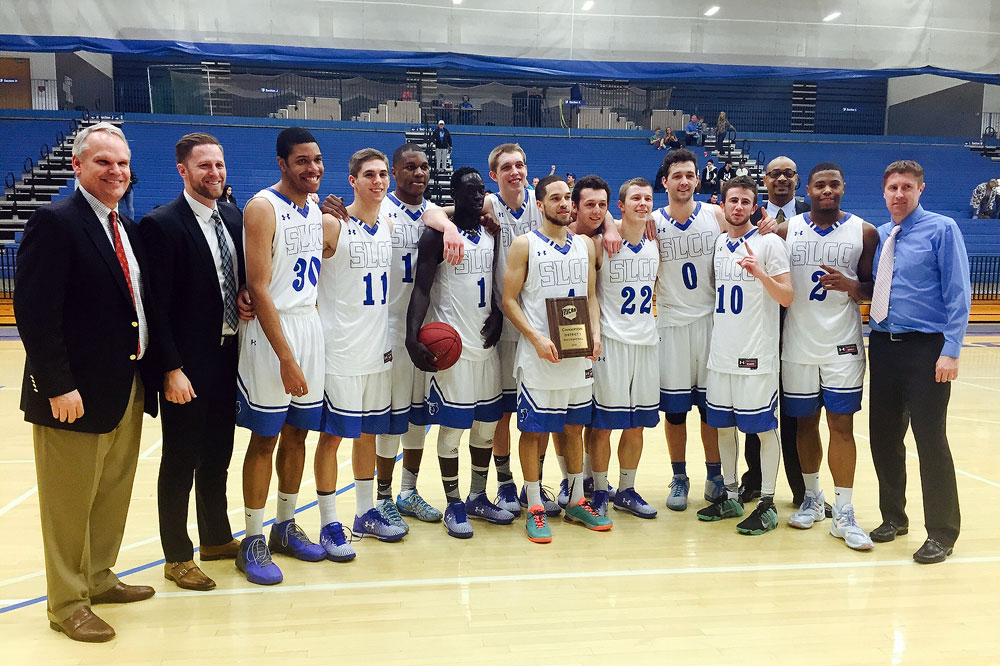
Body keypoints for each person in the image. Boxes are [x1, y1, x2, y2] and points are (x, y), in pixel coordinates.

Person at [15, 122, 159, 641]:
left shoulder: (126, 227)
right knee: (68, 504)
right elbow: (35, 312)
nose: (116, 171)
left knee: (111, 494)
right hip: (73, 392)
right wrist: (57, 384)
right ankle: (66, 603)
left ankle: (97, 577)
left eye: (122, 163)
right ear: (77, 166)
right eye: (103, 162)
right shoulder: (55, 222)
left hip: (125, 384)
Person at [139, 133, 247, 591]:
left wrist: (244, 296)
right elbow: (155, 305)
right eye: (204, 166)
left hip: (228, 354)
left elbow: (236, 277)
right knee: (180, 458)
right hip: (186, 363)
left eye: (219, 165)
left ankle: (216, 538)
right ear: (182, 171)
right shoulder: (161, 224)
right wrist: (170, 368)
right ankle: (176, 555)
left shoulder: (233, 216)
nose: (214, 173)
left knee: (218, 452)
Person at [236, 127, 328, 585]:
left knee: (299, 434)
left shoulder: (315, 207)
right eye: (302, 160)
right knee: (266, 437)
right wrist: (286, 358)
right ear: (282, 163)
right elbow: (258, 286)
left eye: (317, 159)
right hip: (272, 332)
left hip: (309, 323)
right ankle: (252, 538)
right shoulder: (262, 207)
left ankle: (285, 526)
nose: (313, 168)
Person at [868, 160, 971, 564]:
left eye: (906, 187)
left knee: (930, 440)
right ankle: (893, 517)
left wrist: (952, 349)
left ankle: (942, 532)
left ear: (920, 190)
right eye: (893, 187)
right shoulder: (881, 235)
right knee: (883, 436)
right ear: (884, 192)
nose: (899, 194)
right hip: (884, 345)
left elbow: (958, 291)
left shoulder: (942, 229)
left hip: (926, 349)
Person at [502, 175, 610, 542]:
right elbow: (509, 300)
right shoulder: (524, 244)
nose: (564, 204)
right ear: (540, 204)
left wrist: (596, 333)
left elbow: (591, 296)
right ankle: (534, 505)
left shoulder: (585, 245)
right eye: (555, 198)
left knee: (573, 428)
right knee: (533, 432)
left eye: (567, 198)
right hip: (540, 356)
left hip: (577, 356)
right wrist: (534, 338)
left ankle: (576, 500)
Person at [312, 148, 408, 555]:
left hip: (377, 349)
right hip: (341, 351)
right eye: (369, 174)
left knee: (368, 434)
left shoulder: (388, 223)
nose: (378, 181)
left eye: (383, 174)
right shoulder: (332, 224)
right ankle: (328, 522)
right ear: (352, 180)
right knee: (333, 438)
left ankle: (365, 513)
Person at [779, 162, 879, 551]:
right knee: (805, 424)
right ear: (807, 189)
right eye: (819, 185)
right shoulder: (787, 230)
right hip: (798, 343)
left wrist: (851, 285)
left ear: (843, 187)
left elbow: (872, 289)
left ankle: (845, 511)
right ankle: (812, 498)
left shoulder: (864, 232)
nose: (826, 190)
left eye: (833, 184)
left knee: (841, 425)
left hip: (843, 344)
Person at [406, 167, 510, 537]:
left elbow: (492, 283)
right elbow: (421, 289)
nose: (477, 196)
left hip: (486, 346)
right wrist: (411, 336)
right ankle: (453, 504)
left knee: (486, 428)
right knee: (453, 430)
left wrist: (498, 313)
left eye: (481, 190)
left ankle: (477, 496)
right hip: (453, 350)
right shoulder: (436, 236)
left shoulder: (491, 233)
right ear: (454, 193)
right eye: (469, 190)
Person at [697, 175, 793, 536]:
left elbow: (786, 296)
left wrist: (761, 273)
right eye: (732, 201)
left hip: (756, 356)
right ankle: (732, 495)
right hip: (721, 353)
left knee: (764, 429)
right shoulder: (720, 242)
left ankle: (767, 503)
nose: (738, 207)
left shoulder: (770, 243)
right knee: (722, 427)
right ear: (723, 205)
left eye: (745, 202)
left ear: (755, 207)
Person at [652, 149, 732, 511]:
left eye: (689, 175)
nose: (684, 181)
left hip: (711, 323)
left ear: (698, 180)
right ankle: (680, 476)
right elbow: (611, 224)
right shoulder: (652, 221)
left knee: (710, 410)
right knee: (675, 412)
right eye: (677, 176)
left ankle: (714, 477)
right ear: (665, 182)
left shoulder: (716, 215)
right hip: (671, 324)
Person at [589, 178, 661, 518]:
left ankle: (627, 489)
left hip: (646, 341)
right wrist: (608, 224)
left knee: (637, 425)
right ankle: (599, 490)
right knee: (603, 424)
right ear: (621, 205)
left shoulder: (655, 242)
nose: (643, 203)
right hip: (612, 343)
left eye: (648, 198)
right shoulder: (601, 243)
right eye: (636, 198)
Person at [743, 155, 812, 506]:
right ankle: (753, 480)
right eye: (774, 174)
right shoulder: (747, 215)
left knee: (796, 414)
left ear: (797, 179)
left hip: (800, 323)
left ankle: (803, 490)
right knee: (756, 406)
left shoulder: (813, 217)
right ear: (765, 180)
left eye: (788, 173)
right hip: (759, 324)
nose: (781, 179)